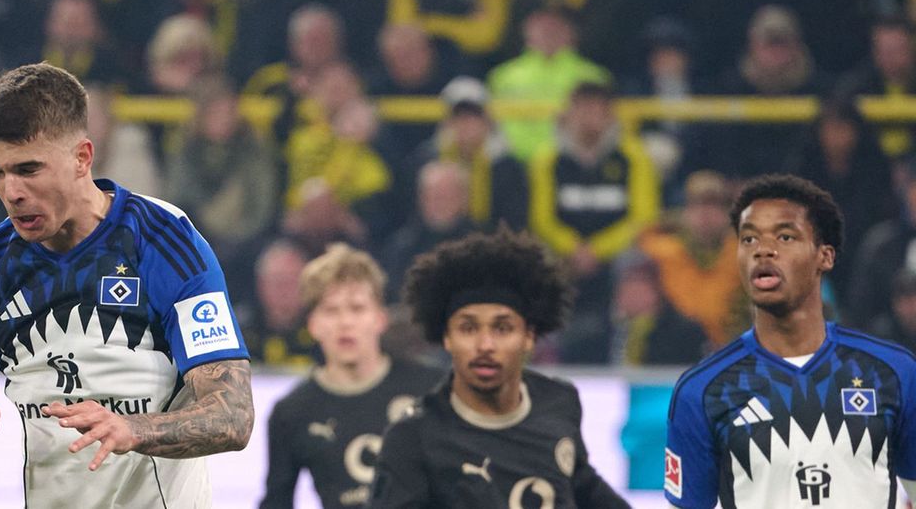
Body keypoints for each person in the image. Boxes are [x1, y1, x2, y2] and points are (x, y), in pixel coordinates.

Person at [0, 63, 253, 505]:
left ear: (82, 158)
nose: (12, 192)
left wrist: (133, 429)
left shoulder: (164, 241)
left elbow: (233, 416)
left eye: (29, 169)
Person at [665, 174, 916, 508]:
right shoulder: (702, 391)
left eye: (785, 236)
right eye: (749, 239)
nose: (763, 250)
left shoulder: (894, 372)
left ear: (825, 256)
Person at [368, 229, 630, 508]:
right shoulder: (414, 438)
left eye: (502, 328)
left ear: (529, 336)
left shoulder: (559, 401)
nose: (485, 345)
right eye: (468, 328)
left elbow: (582, 485)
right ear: (447, 337)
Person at [260, 243, 442, 509]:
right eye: (331, 310)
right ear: (313, 324)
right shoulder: (292, 413)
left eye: (357, 308)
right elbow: (276, 502)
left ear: (380, 318)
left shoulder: (432, 388)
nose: (345, 322)